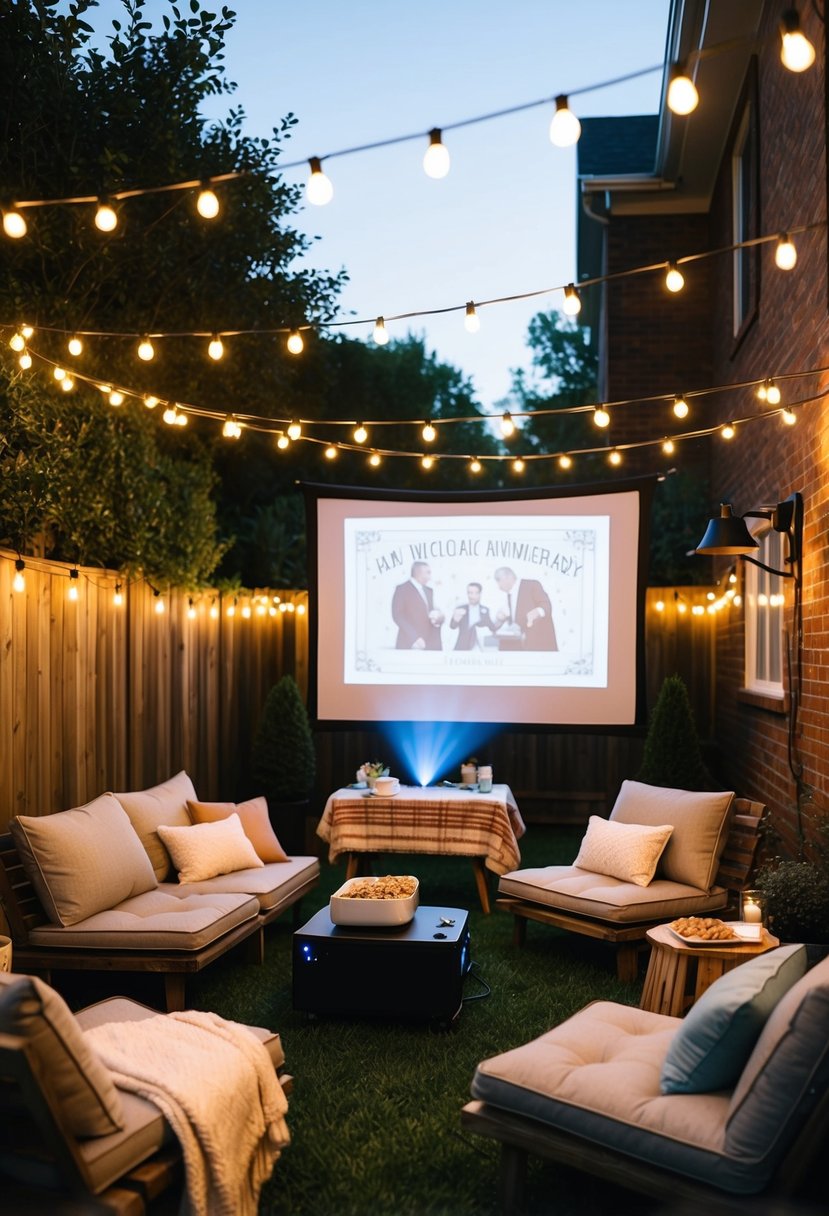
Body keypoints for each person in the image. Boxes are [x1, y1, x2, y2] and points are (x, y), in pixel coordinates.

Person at [493, 566, 557, 651]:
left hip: (538, 645)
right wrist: (500, 619)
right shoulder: (509, 595)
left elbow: (546, 606)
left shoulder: (532, 585)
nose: (498, 586)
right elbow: (517, 619)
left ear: (508, 577)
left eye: (498, 580)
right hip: (520, 646)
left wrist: (537, 612)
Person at [392, 561, 445, 650]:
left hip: (430, 643)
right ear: (418, 573)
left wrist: (438, 617)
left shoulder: (429, 590)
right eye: (428, 573)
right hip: (409, 643)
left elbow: (428, 613)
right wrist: (415, 638)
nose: (430, 577)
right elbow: (398, 616)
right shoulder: (402, 589)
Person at [449, 581, 496, 651]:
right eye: (470, 593)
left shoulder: (485, 610)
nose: (472, 596)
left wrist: (500, 619)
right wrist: (456, 619)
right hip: (462, 646)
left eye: (475, 593)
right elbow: (452, 626)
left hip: (480, 647)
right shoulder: (460, 608)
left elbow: (492, 628)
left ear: (480, 594)